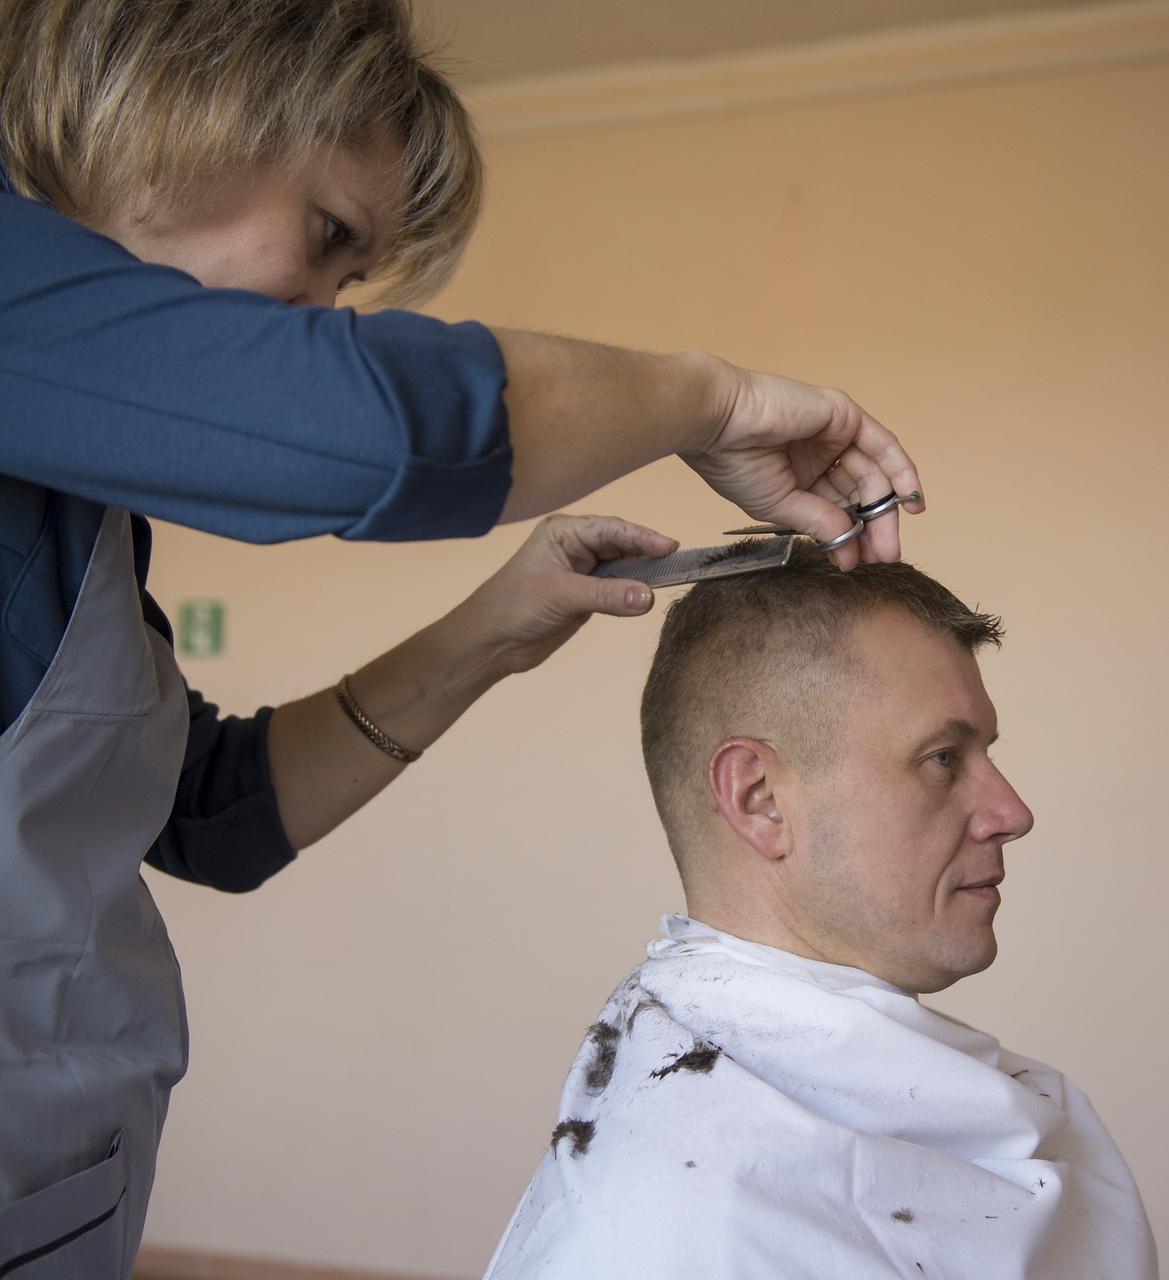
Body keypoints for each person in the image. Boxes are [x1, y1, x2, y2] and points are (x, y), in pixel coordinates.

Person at [0, 1, 924, 1273]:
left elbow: (203, 812)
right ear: (176, 106)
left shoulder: (70, 503)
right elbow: (365, 428)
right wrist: (704, 399)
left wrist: (501, 623)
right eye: (329, 238)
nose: (318, 311)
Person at [484, 540, 1158, 1280]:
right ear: (759, 799)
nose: (1011, 811)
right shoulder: (675, 1231)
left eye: (986, 755)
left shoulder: (1009, 1112)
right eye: (942, 758)